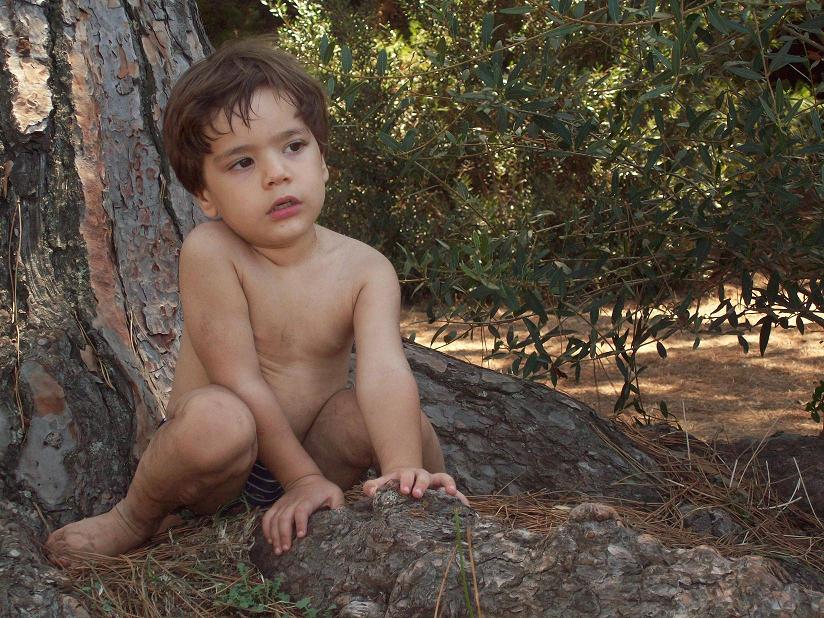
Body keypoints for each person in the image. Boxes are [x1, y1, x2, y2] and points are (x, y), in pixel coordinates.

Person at [45, 37, 465, 563]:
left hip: (315, 454)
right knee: (219, 419)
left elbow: (384, 372)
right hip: (222, 463)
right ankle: (135, 516)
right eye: (243, 163)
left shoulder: (366, 269)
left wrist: (401, 462)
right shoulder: (212, 251)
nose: (276, 173)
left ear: (323, 160)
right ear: (205, 195)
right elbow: (239, 379)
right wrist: (301, 478)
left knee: (391, 420)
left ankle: (423, 494)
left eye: (293, 147)